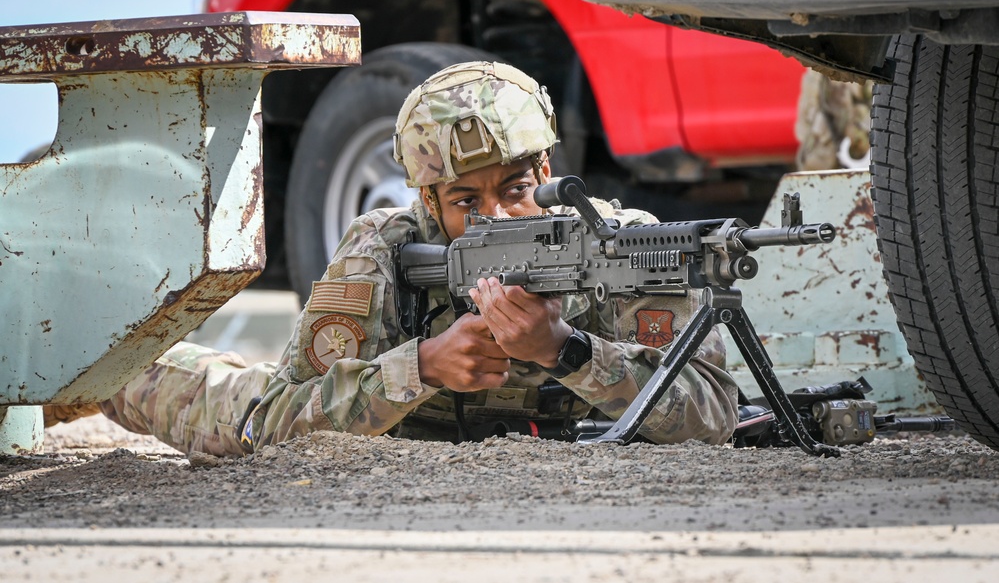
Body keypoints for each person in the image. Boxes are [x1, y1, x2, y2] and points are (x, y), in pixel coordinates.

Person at [90, 60, 739, 456]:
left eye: (516, 189)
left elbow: (714, 417)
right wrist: (420, 367)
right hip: (371, 422)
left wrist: (564, 350)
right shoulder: (387, 249)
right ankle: (84, 359)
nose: (496, 216)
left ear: (546, 170)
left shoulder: (623, 246)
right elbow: (277, 420)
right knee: (190, 395)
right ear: (427, 199)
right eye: (465, 199)